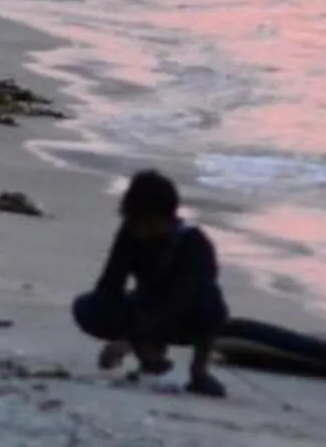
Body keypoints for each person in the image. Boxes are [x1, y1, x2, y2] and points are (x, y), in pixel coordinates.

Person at [71, 169, 228, 397]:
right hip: (146, 303)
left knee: (211, 308)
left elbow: (183, 301)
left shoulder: (195, 244)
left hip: (189, 316)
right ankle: (149, 357)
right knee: (87, 307)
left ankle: (199, 371)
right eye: (135, 222)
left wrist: (129, 339)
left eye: (147, 223)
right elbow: (111, 282)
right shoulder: (130, 232)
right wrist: (119, 329)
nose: (140, 230)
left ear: (166, 218)